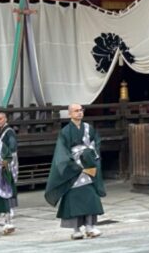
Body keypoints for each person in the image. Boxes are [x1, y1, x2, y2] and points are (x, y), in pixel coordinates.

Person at [45, 103, 106, 240]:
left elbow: (96, 142)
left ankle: (90, 226)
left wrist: (90, 154)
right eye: (76, 111)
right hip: (74, 167)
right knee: (73, 198)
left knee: (91, 196)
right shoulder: (65, 132)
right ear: (70, 114)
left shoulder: (88, 128)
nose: (79, 113)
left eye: (81, 110)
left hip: (88, 164)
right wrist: (72, 164)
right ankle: (76, 229)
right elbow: (62, 152)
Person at [0, 111, 19, 219]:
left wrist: (7, 157)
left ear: (5, 119)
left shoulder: (9, 131)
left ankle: (11, 208)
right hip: (1, 160)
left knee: (9, 182)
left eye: (0, 119)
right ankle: (4, 208)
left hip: (9, 160)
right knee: (2, 183)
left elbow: (12, 146)